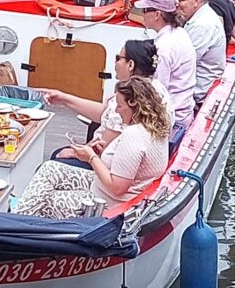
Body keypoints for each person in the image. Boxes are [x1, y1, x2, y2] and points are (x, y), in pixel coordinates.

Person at [15, 77, 171, 219]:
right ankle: (18, 220)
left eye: (120, 105)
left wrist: (91, 157)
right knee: (50, 168)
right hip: (103, 189)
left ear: (133, 104)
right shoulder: (157, 128)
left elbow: (117, 188)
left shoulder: (134, 134)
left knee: (44, 200)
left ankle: (14, 225)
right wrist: (103, 153)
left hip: (109, 205)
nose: (116, 110)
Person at [42, 39, 172, 169]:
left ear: (130, 65)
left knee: (56, 160)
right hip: (130, 162)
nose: (115, 63)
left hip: (110, 166)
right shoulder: (157, 88)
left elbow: (103, 146)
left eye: (118, 58)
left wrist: (74, 152)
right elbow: (105, 113)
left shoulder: (130, 96)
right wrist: (64, 99)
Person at [134, 0, 195, 129]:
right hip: (184, 109)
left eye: (145, 10)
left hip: (173, 116)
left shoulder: (163, 47)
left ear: (157, 14)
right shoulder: (180, 33)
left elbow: (157, 89)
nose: (142, 14)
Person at [173, 0, 226, 103]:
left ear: (196, 0)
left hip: (196, 94)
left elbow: (182, 63)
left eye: (180, 0)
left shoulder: (202, 25)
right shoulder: (199, 17)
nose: (175, 5)